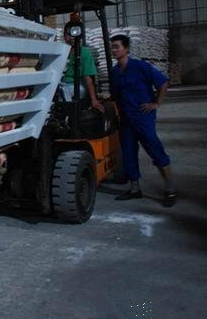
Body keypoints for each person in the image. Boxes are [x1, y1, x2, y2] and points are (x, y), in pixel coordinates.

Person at [109, 34, 177, 207]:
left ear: (126, 49)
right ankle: (135, 189)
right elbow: (115, 95)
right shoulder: (115, 72)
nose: (113, 50)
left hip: (142, 117)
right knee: (129, 153)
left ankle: (170, 189)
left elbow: (163, 83)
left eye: (117, 46)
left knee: (155, 150)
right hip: (126, 120)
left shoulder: (140, 66)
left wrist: (156, 103)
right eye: (112, 47)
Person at [61, 21, 105, 112]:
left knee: (63, 91)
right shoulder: (61, 52)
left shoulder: (84, 52)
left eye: (73, 34)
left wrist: (94, 100)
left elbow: (88, 79)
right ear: (64, 35)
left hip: (77, 85)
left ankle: (67, 114)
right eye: (68, 34)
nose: (71, 38)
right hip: (61, 84)